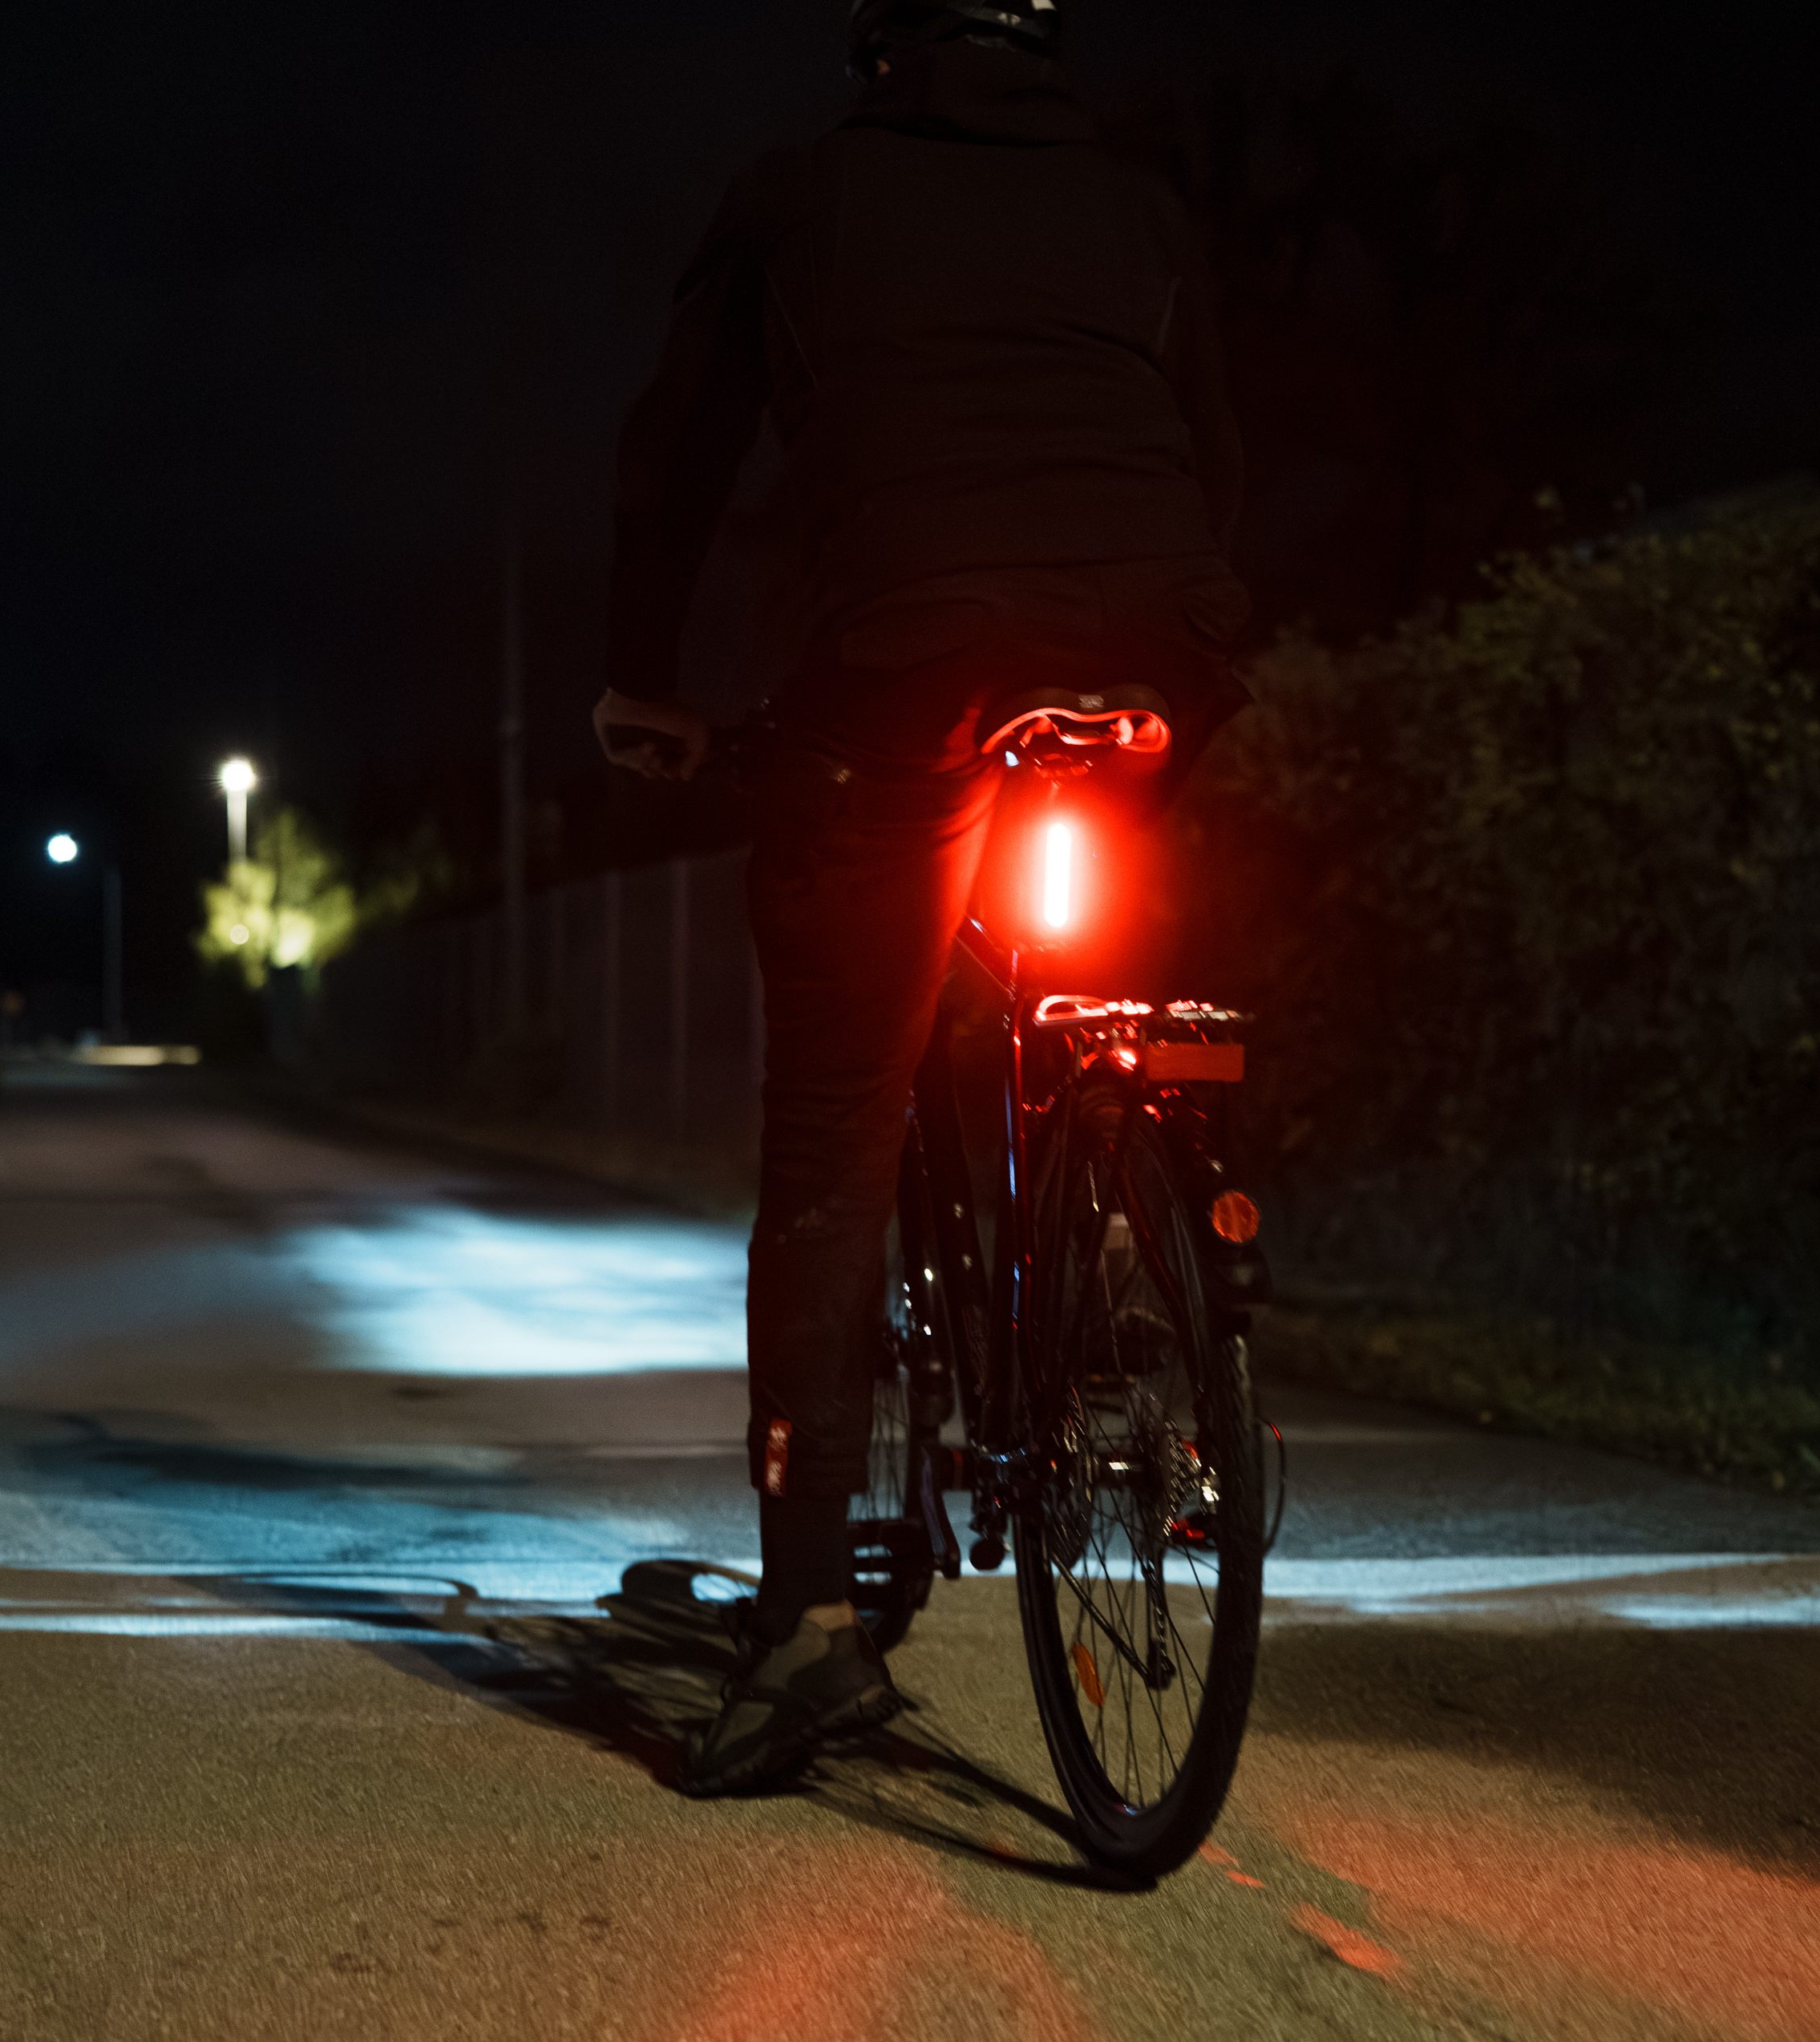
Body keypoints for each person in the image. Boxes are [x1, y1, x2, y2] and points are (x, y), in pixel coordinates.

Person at [593, 0, 1248, 1796]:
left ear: (881, 42)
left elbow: (680, 453)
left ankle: (805, 1629)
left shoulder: (802, 196)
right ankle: (1114, 1222)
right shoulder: (1138, 205)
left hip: (906, 668)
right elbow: (1214, 457)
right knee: (1098, 940)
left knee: (831, 1133)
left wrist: (641, 678)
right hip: (1160, 643)